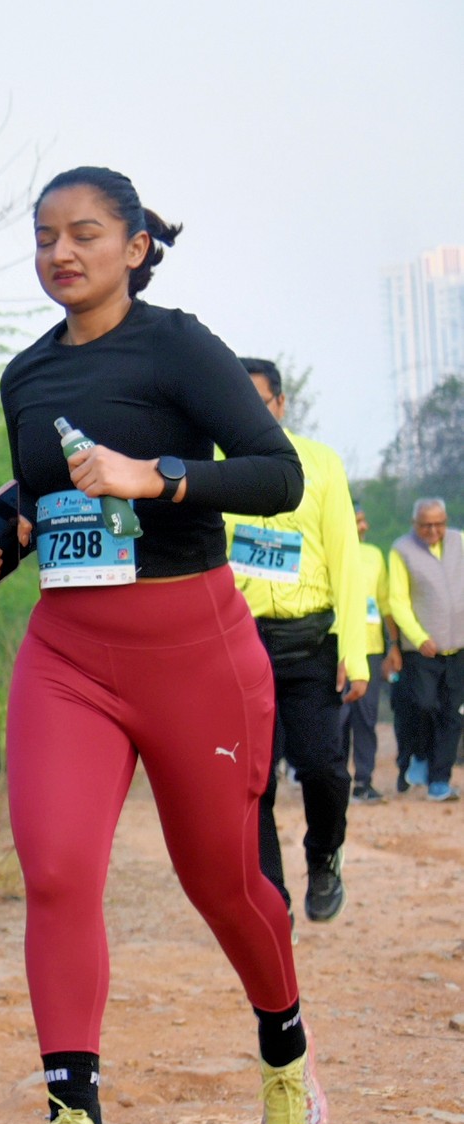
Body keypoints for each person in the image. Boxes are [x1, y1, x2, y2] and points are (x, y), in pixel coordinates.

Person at [0, 166, 323, 1124]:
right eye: (44, 236)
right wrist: (7, 532)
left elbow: (276, 473)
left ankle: (285, 1051)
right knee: (55, 869)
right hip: (67, 656)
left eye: (83, 233)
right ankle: (74, 1123)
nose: (60, 253)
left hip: (191, 652)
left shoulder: (177, 345)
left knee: (220, 880)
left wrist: (155, 474)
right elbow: (44, 491)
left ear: (134, 246)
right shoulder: (25, 374)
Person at [224, 358, 364, 921]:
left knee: (323, 768)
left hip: (311, 644)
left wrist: (353, 650)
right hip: (240, 647)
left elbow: (346, 559)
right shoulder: (213, 469)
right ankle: (271, 900)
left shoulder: (321, 464)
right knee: (251, 782)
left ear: (280, 404)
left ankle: (324, 856)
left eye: (259, 403)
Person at [383, 497, 464, 801]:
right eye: (426, 525)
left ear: (446, 521)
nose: (433, 530)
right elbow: (398, 601)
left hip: (458, 648)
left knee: (452, 714)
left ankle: (439, 781)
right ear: (414, 524)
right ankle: (418, 754)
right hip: (421, 650)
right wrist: (418, 637)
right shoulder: (402, 550)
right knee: (423, 705)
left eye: (438, 524)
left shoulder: (459, 541)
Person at [348, 508, 390, 803]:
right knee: (338, 720)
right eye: (358, 521)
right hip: (336, 648)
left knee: (366, 718)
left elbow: (385, 602)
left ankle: (364, 781)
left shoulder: (374, 555)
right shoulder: (325, 550)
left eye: (364, 520)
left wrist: (393, 646)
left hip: (371, 648)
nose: (364, 526)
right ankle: (335, 783)